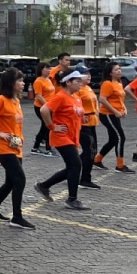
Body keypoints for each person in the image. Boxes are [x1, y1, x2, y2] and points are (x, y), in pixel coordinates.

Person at [0, 67, 34, 229]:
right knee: (20, 179)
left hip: (16, 147)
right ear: (11, 83)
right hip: (4, 148)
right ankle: (17, 216)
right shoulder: (2, 99)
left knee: (10, 182)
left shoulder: (16, 101)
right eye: (20, 81)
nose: (23, 83)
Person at [33, 68, 91, 210]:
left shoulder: (76, 97)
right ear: (68, 82)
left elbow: (74, 113)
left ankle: (44, 186)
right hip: (61, 137)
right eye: (77, 81)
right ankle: (72, 199)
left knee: (72, 167)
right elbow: (44, 110)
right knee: (76, 165)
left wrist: (82, 117)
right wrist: (52, 126)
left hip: (72, 136)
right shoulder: (61, 96)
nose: (80, 83)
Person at [96, 62, 133, 174]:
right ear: (110, 72)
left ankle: (97, 160)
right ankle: (120, 165)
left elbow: (120, 99)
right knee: (120, 137)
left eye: (120, 69)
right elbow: (102, 99)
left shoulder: (119, 82)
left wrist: (124, 109)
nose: (119, 71)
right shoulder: (107, 84)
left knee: (113, 140)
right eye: (116, 69)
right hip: (107, 114)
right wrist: (115, 111)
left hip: (116, 114)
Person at [76, 73, 102, 191]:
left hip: (92, 122)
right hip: (83, 124)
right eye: (85, 74)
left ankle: (72, 168)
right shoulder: (78, 90)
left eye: (89, 74)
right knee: (90, 151)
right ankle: (85, 179)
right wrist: (81, 115)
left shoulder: (88, 88)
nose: (89, 76)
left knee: (91, 151)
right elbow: (75, 103)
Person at [28, 63, 55, 156]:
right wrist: (47, 105)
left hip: (49, 107)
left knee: (45, 127)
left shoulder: (48, 80)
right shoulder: (38, 81)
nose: (48, 70)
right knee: (47, 126)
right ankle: (47, 149)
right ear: (41, 70)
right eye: (46, 68)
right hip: (41, 107)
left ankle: (36, 147)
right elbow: (38, 95)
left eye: (49, 69)